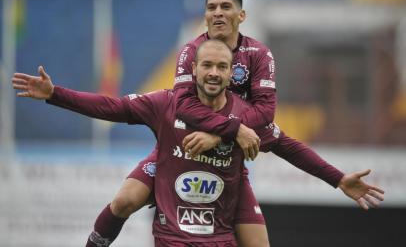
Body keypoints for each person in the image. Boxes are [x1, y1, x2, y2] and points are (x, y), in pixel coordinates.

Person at [13, 40, 384, 246]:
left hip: (221, 213)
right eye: (206, 65)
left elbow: (288, 146)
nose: (213, 72)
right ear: (194, 69)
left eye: (221, 67)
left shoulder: (245, 118)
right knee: (125, 199)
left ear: (229, 74)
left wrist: (338, 179)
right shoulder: (166, 102)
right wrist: (54, 94)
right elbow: (113, 106)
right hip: (172, 203)